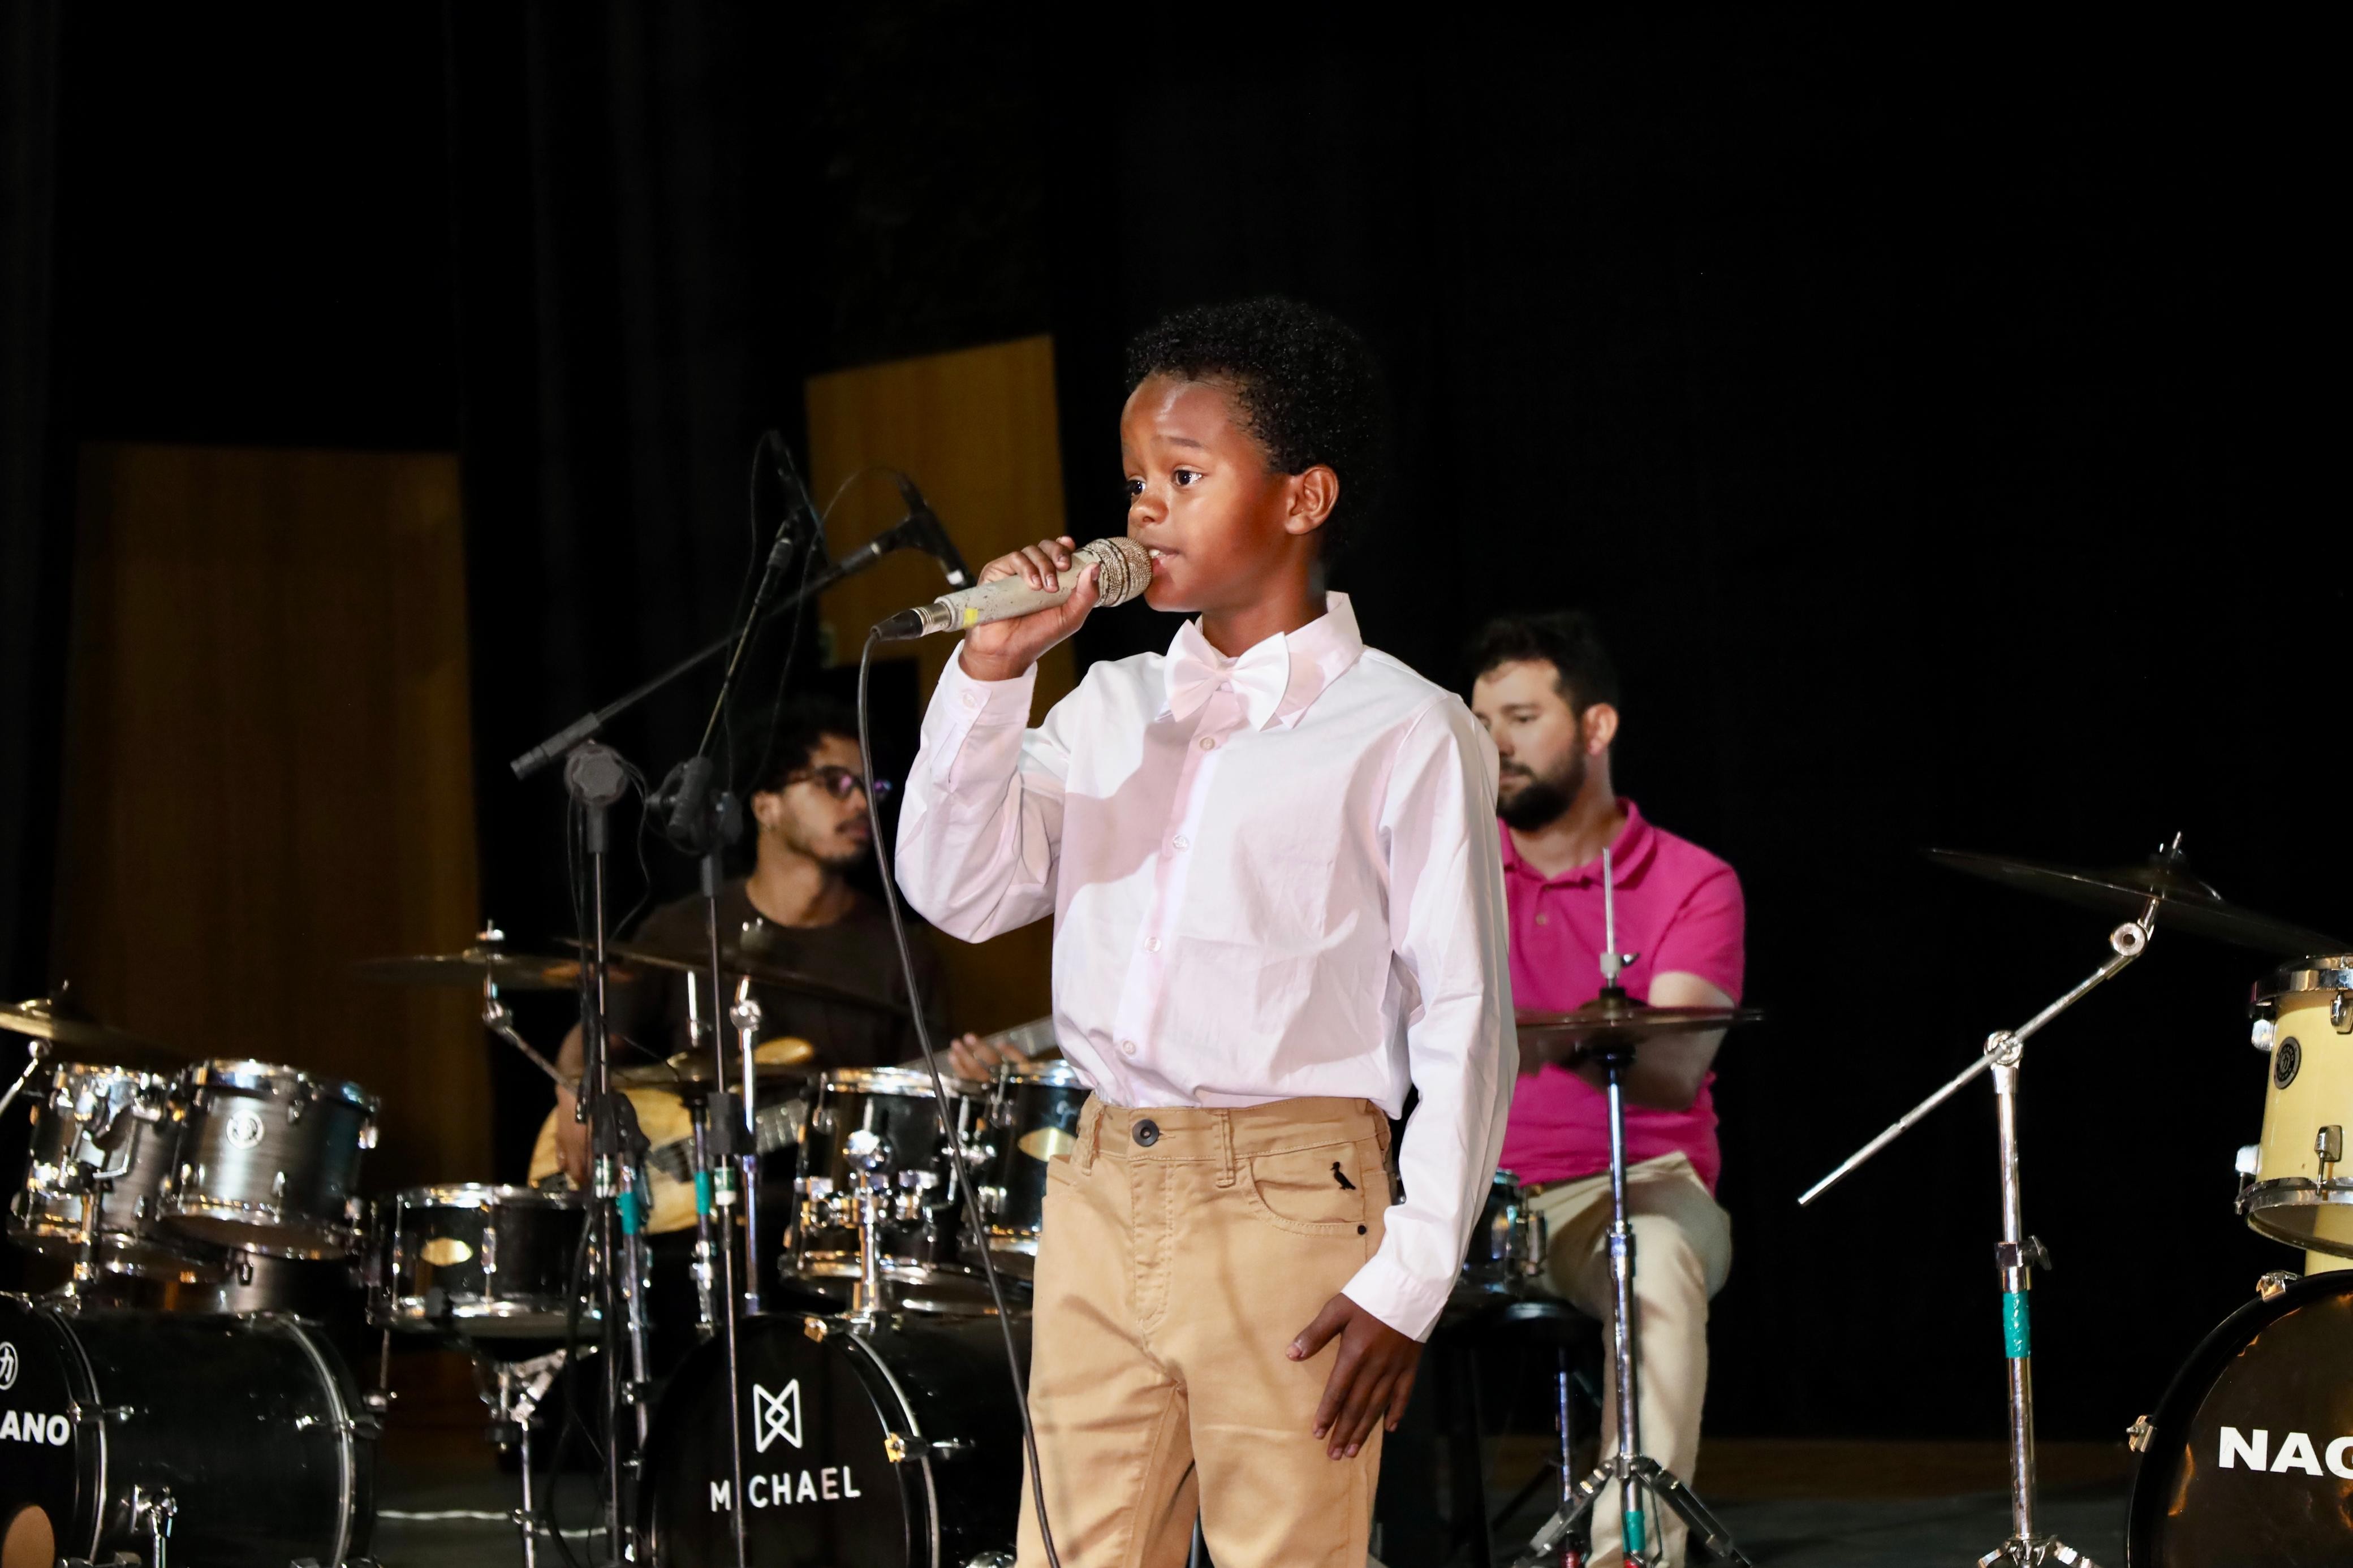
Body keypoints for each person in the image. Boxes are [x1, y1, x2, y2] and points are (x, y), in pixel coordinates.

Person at [895, 297, 1515, 1568]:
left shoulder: (1404, 730)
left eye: (1184, 475)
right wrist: (991, 676)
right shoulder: (1109, 707)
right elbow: (957, 891)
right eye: (1133, 480)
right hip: (1102, 1178)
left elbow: (1464, 1017)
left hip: (1289, 1195)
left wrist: (1411, 1274)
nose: (1144, 509)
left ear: (1304, 497)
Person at [1467, 612, 1744, 1568]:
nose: (1491, 742)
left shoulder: (1691, 879)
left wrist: (1544, 1034)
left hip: (1636, 1182)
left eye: (1519, 715)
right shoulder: (1448, 875)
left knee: (1656, 1257)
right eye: (1478, 719)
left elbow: (1669, 1066)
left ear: (1596, 728)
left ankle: (1635, 1552)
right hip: (1473, 1200)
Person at [548, 699, 1018, 1183]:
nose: (860, 804)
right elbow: (597, 1037)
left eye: (871, 788)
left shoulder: (902, 950)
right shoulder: (680, 933)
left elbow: (917, 1118)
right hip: (692, 1223)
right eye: (835, 783)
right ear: (766, 805)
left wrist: (975, 1092)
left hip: (838, 1225)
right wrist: (575, 1090)